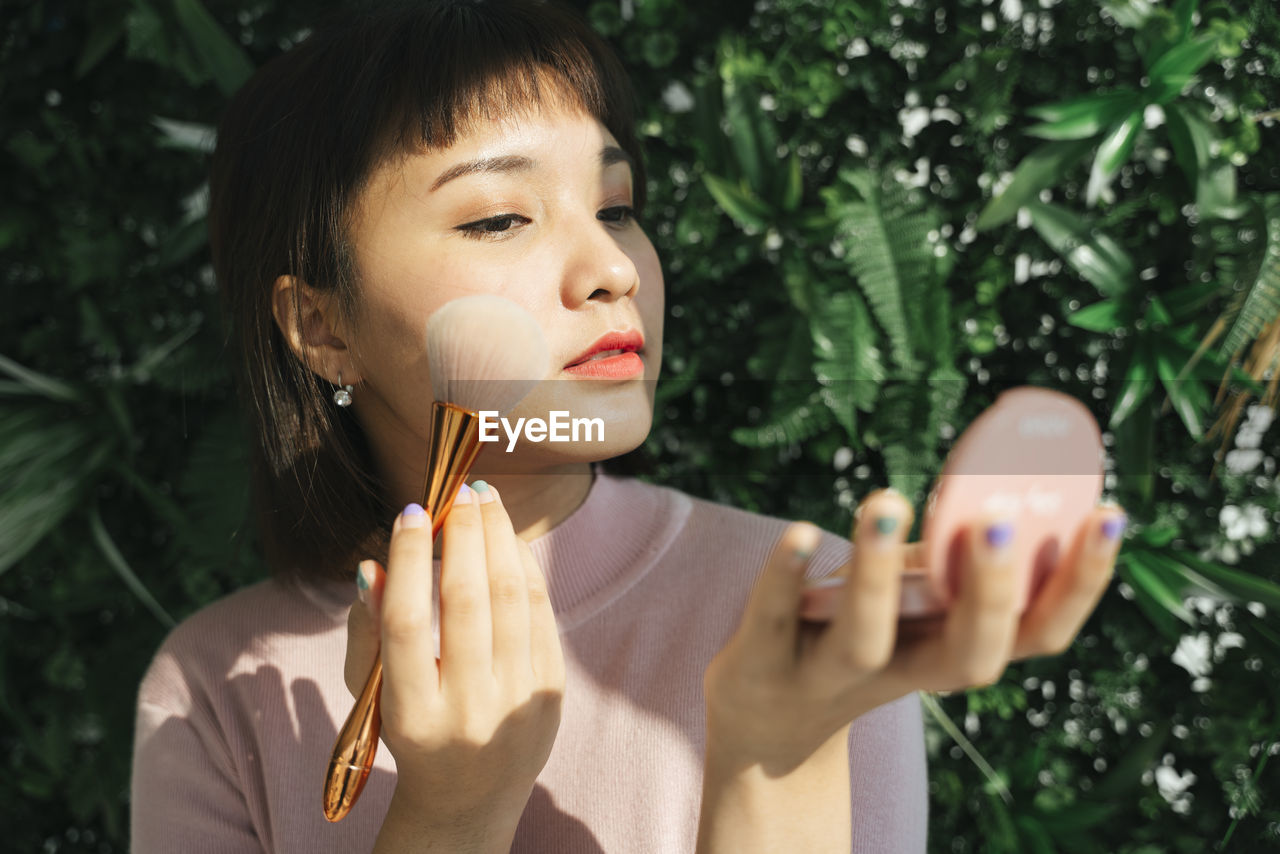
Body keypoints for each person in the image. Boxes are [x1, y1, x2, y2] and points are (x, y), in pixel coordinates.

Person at [129, 1, 1127, 852]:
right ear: (321, 324)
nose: (610, 268)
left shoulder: (809, 614)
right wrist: (447, 811)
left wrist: (779, 743)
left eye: (615, 205)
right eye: (497, 218)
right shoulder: (215, 689)